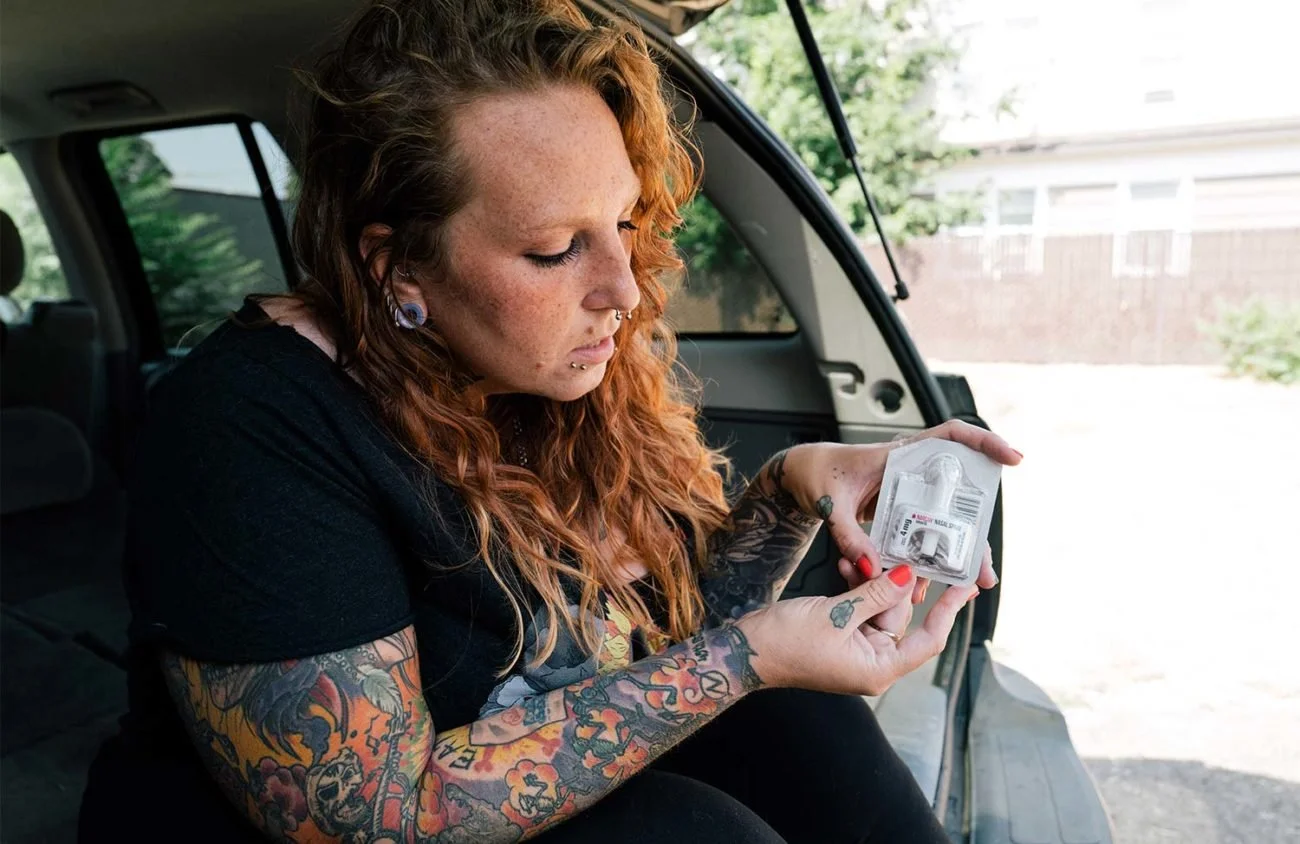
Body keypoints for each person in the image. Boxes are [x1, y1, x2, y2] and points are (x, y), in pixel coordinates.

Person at [79, 0, 1019, 841]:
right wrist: (749, 658)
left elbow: (677, 645)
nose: (621, 287)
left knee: (800, 718)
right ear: (396, 267)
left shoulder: (548, 372)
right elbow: (373, 817)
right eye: (554, 249)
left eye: (623, 223)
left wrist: (792, 489)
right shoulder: (246, 426)